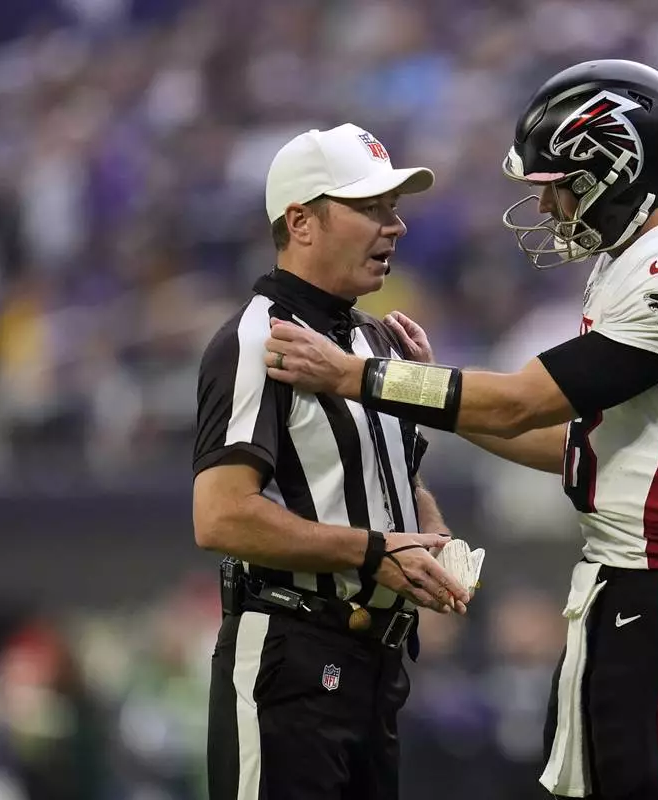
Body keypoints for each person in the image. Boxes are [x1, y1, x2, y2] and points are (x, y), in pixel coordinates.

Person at [262, 60, 658, 800]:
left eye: (560, 184)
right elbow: (578, 448)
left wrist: (356, 376)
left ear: (617, 174)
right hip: (638, 583)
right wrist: (419, 394)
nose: (547, 206)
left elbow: (521, 404)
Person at [192, 122, 472, 800]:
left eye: (393, 208)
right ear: (301, 222)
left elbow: (394, 479)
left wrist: (430, 538)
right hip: (290, 654)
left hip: (376, 661)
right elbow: (221, 516)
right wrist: (374, 552)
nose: (395, 226)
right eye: (371, 208)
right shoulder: (258, 339)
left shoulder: (376, 339)